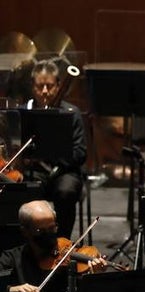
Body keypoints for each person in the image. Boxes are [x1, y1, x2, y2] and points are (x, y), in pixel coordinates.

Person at [22, 60, 87, 240]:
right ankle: (28, 244)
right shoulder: (24, 112)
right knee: (20, 189)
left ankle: (62, 242)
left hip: (65, 172)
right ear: (32, 86)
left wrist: (57, 157)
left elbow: (80, 152)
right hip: (35, 172)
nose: (44, 91)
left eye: (49, 86)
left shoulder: (71, 113)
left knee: (66, 191)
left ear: (58, 86)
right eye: (39, 86)